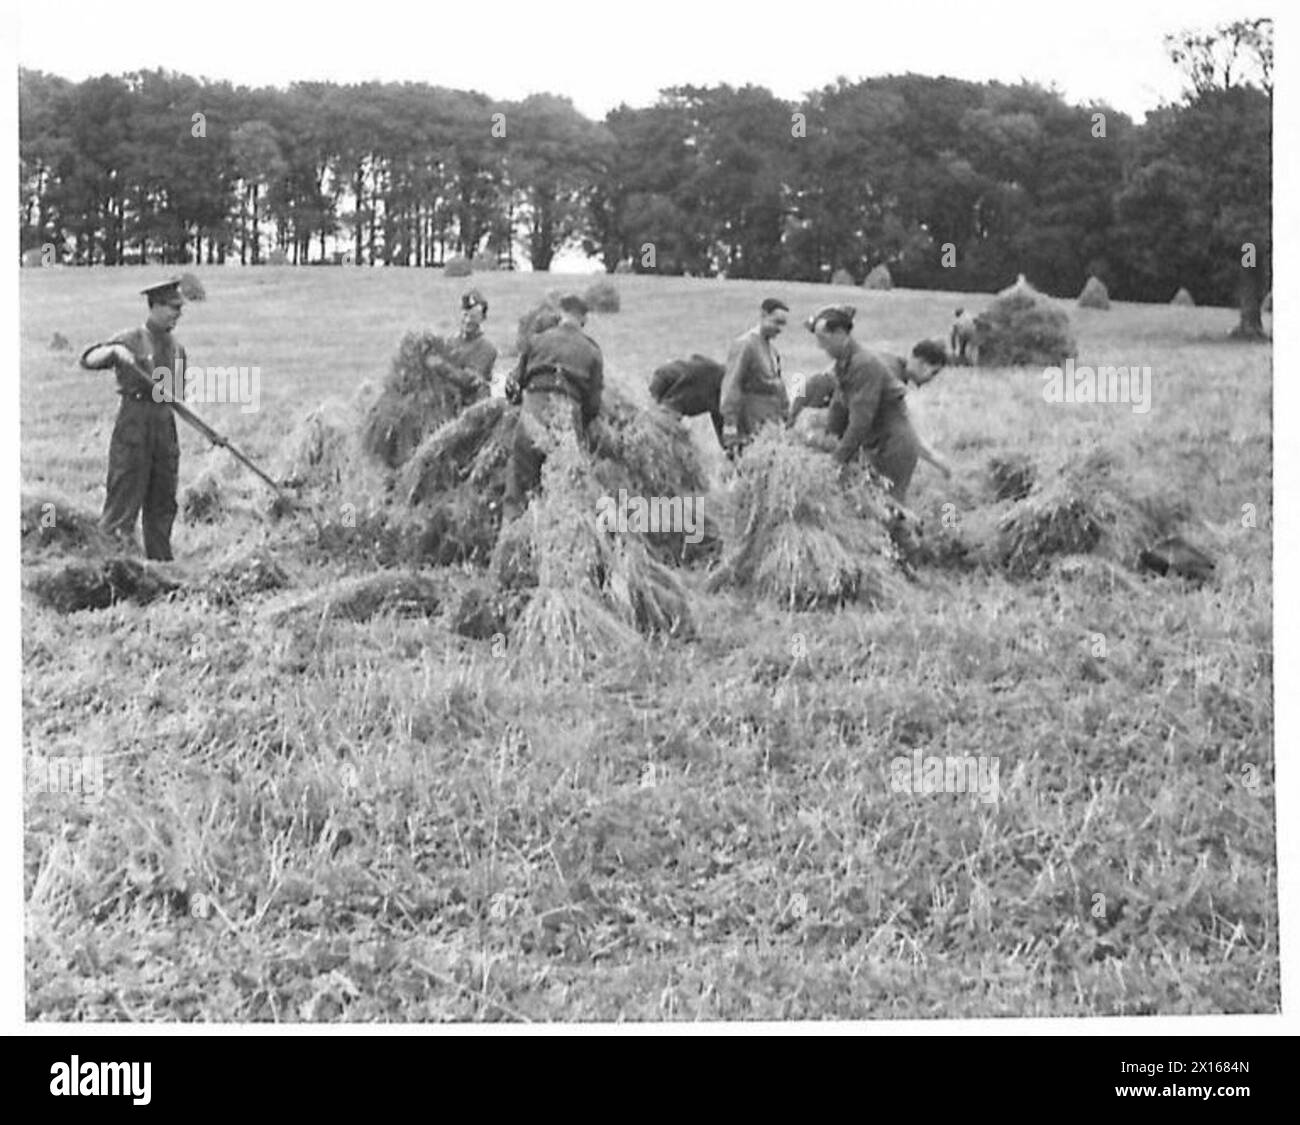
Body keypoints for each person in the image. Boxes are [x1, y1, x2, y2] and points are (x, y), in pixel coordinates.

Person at [78, 277, 189, 560]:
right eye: (172, 308)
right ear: (155, 307)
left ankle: (160, 565)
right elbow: (89, 358)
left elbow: (178, 398)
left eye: (179, 309)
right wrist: (114, 351)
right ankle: (111, 562)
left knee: (163, 500)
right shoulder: (131, 339)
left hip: (164, 426)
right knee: (124, 495)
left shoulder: (178, 350)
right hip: (134, 424)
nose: (177, 314)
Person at [806, 305, 931, 503]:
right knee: (870, 502)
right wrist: (826, 440)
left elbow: (860, 421)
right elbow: (838, 408)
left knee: (889, 506)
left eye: (823, 339)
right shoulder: (843, 364)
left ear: (840, 334)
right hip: (877, 443)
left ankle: (910, 533)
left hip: (894, 446)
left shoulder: (863, 365)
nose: (820, 347)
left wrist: (836, 459)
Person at [503, 293, 603, 520]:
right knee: (563, 492)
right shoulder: (593, 352)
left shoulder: (537, 341)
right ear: (584, 320)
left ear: (560, 315)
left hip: (531, 418)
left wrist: (519, 405)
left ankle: (512, 538)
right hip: (565, 425)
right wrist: (580, 429)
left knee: (518, 487)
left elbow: (513, 385)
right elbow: (593, 406)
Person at [719, 298, 789, 457]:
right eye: (776, 322)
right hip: (749, 426)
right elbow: (731, 385)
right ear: (763, 315)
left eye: (783, 324)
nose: (780, 329)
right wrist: (730, 426)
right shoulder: (745, 344)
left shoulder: (773, 351)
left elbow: (778, 387)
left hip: (770, 427)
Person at [648, 355, 726, 446]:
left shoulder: (720, 394)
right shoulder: (711, 380)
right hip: (665, 383)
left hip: (672, 383)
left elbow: (724, 437)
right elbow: (670, 408)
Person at [443, 288, 497, 400]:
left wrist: (441, 366)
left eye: (473, 317)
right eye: (465, 315)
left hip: (474, 408)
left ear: (482, 319)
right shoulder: (450, 342)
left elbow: (470, 381)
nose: (467, 321)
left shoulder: (488, 349)